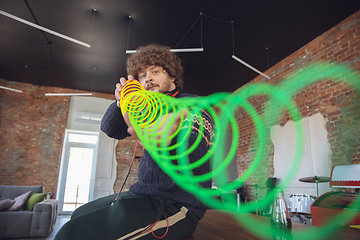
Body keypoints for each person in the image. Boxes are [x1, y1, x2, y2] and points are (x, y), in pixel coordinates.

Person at [54, 44, 214, 240]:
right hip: (142, 194)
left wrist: (167, 140)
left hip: (177, 204)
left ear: (172, 76)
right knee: (78, 215)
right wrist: (120, 102)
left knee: (72, 234)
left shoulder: (193, 104)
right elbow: (109, 129)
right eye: (142, 75)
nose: (148, 79)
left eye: (155, 71)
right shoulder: (146, 109)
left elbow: (195, 147)